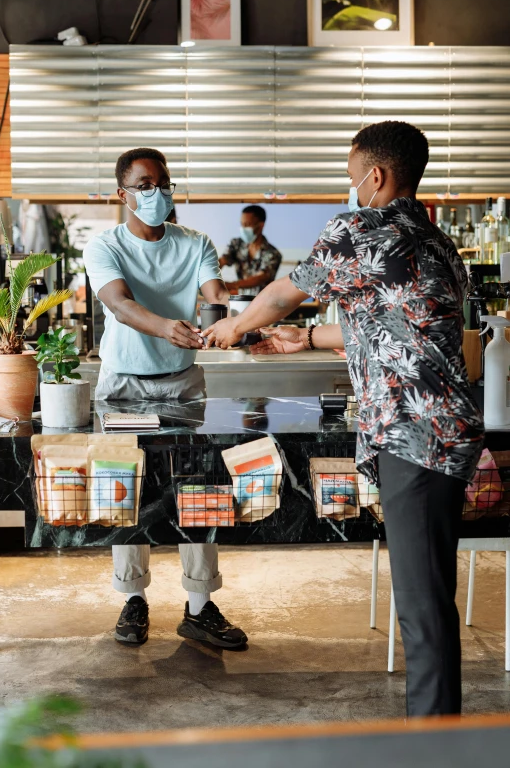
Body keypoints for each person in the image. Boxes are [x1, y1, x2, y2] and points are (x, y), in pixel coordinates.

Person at [203, 120, 485, 716]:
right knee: (428, 587)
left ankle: (437, 742)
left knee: (421, 598)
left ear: (375, 177)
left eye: (352, 175)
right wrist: (305, 337)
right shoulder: (434, 242)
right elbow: (392, 325)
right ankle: (439, 729)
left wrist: (234, 325)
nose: (349, 187)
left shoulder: (359, 229)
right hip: (444, 432)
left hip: (414, 435)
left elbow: (282, 292)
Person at [83, 147, 247, 650]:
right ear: (124, 193)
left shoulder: (195, 241)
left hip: (180, 385)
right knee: (126, 494)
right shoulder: (103, 245)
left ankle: (199, 606)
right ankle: (133, 599)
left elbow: (215, 293)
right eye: (145, 184)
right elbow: (119, 303)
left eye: (164, 183)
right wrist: (165, 326)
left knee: (198, 492)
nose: (157, 193)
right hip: (124, 387)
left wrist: (246, 314)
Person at [219, 205, 282, 296]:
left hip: (263, 302)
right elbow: (223, 260)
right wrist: (210, 275)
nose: (243, 228)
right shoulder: (236, 244)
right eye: (242, 224)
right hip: (239, 299)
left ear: (260, 226)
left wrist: (231, 285)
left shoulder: (273, 254)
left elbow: (260, 278)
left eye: (247, 225)